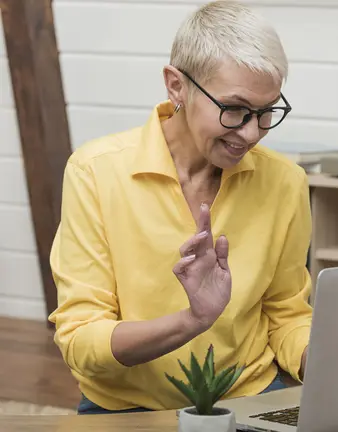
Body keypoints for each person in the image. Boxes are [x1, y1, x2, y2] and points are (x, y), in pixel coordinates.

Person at [47, 0, 313, 414]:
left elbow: (286, 313)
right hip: (126, 406)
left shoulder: (285, 181)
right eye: (235, 109)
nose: (251, 133)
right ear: (176, 86)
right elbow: (82, 341)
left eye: (266, 113)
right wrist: (192, 321)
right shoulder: (95, 172)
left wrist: (321, 359)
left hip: (251, 395)